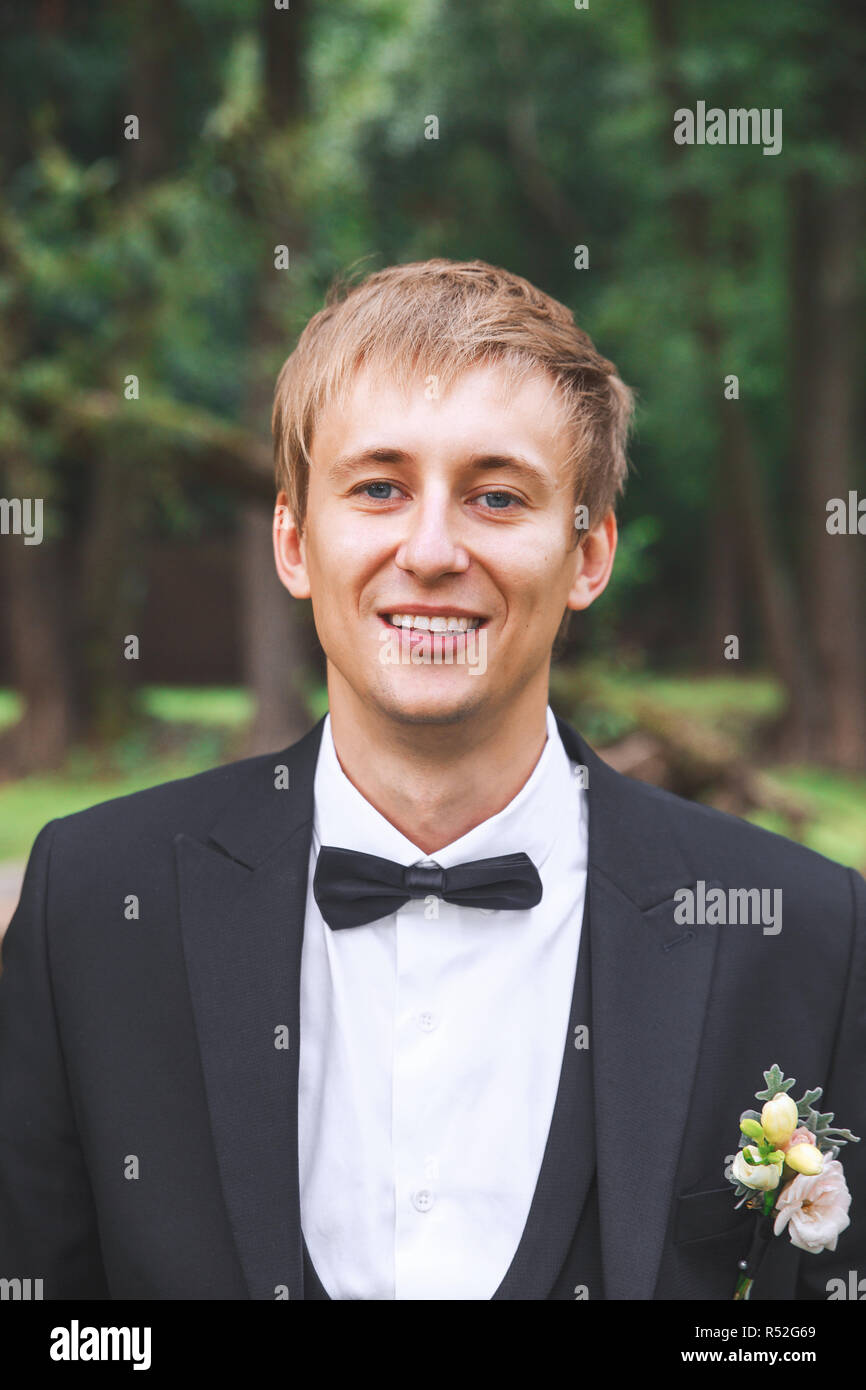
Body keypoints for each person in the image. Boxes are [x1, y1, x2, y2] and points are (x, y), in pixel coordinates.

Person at [0, 259, 862, 1301]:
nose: (431, 548)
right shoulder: (89, 903)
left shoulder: (803, 935)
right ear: (292, 538)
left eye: (496, 496)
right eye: (378, 488)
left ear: (586, 555)